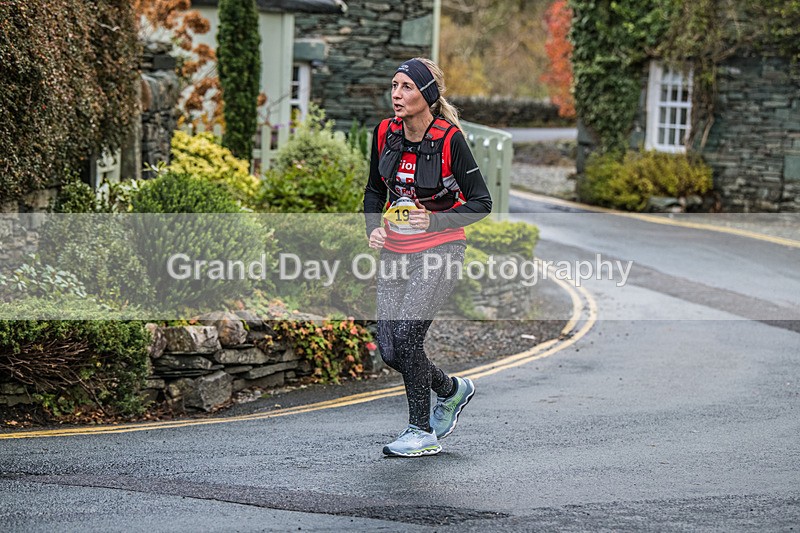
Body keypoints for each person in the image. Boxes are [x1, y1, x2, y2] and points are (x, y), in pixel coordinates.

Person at [363, 57, 492, 457]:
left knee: (406, 337)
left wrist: (433, 221)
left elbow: (481, 202)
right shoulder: (384, 133)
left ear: (428, 95)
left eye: (406, 87)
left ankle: (420, 432)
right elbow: (374, 190)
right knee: (390, 349)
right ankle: (451, 390)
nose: (396, 94)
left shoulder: (450, 139)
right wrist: (373, 228)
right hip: (396, 251)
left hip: (442, 249)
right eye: (394, 86)